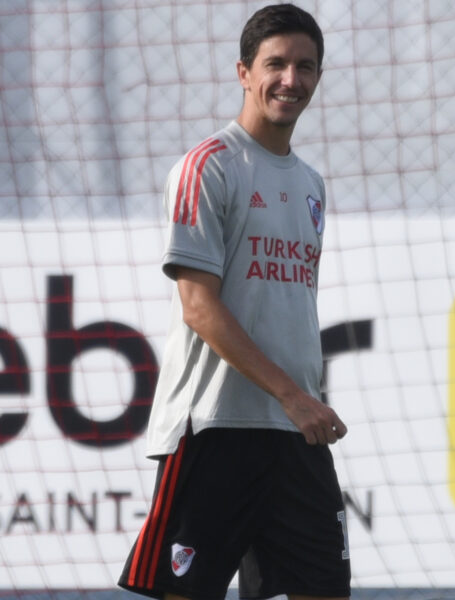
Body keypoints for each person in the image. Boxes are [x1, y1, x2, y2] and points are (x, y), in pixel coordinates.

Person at [118, 4, 350, 600]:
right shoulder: (207, 167)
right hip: (215, 427)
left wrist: (297, 402)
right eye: (276, 64)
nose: (290, 80)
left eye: (305, 67)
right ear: (244, 72)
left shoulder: (311, 183)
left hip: (294, 435)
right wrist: (293, 396)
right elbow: (199, 307)